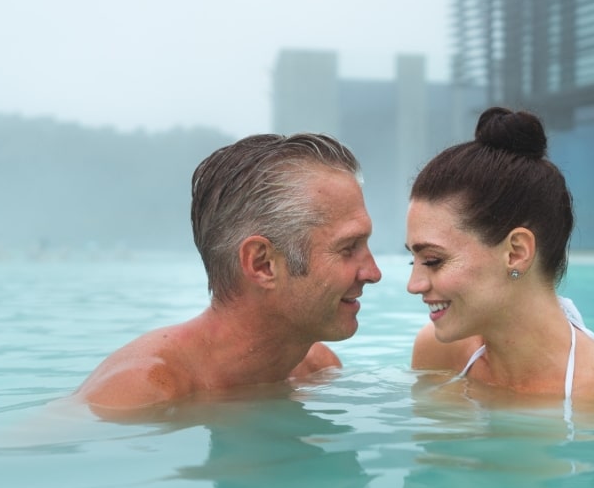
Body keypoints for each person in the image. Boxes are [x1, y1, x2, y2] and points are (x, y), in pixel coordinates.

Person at [76, 132, 382, 411]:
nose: (373, 272)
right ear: (262, 264)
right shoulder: (143, 392)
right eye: (348, 248)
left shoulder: (317, 370)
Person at [405, 106, 594, 410]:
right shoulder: (439, 355)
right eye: (414, 260)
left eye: (434, 260)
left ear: (516, 253)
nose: (414, 285)